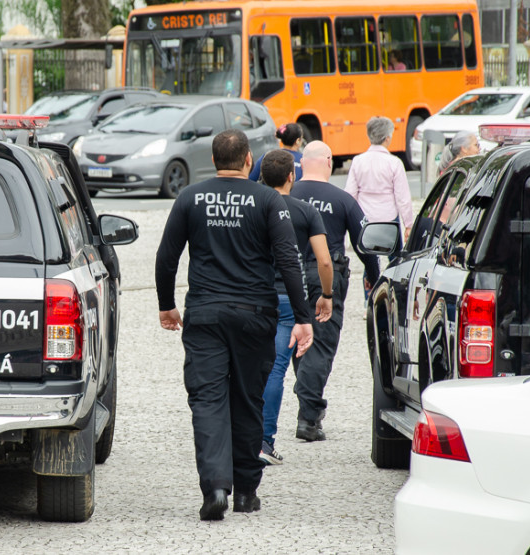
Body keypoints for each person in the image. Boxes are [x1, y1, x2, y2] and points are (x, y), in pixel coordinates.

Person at [155, 129, 314, 521]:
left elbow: (167, 256)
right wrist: (303, 317)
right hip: (254, 316)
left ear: (213, 161)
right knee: (248, 399)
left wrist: (167, 305)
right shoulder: (269, 200)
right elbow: (288, 260)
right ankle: (245, 491)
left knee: (207, 400)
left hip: (205, 314)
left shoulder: (190, 197)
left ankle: (215, 488)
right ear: (248, 161)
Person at [290, 141, 381, 442]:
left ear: (302, 163)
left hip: (286, 276)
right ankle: (308, 417)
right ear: (329, 162)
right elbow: (366, 243)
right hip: (326, 278)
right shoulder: (342, 200)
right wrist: (374, 277)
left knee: (299, 340)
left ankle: (307, 405)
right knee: (320, 345)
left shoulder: (285, 196)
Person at [257, 149, 333, 466]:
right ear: (292, 176)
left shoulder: (253, 206)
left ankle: (238, 437)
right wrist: (326, 294)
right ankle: (264, 441)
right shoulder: (305, 211)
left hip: (254, 295)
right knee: (276, 368)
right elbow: (324, 261)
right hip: (288, 298)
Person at [344, 116, 414, 257]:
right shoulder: (394, 163)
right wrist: (408, 224)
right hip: (389, 219)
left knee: (370, 260)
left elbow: (350, 194)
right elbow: (403, 198)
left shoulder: (358, 161)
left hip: (365, 219)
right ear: (387, 138)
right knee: (394, 260)